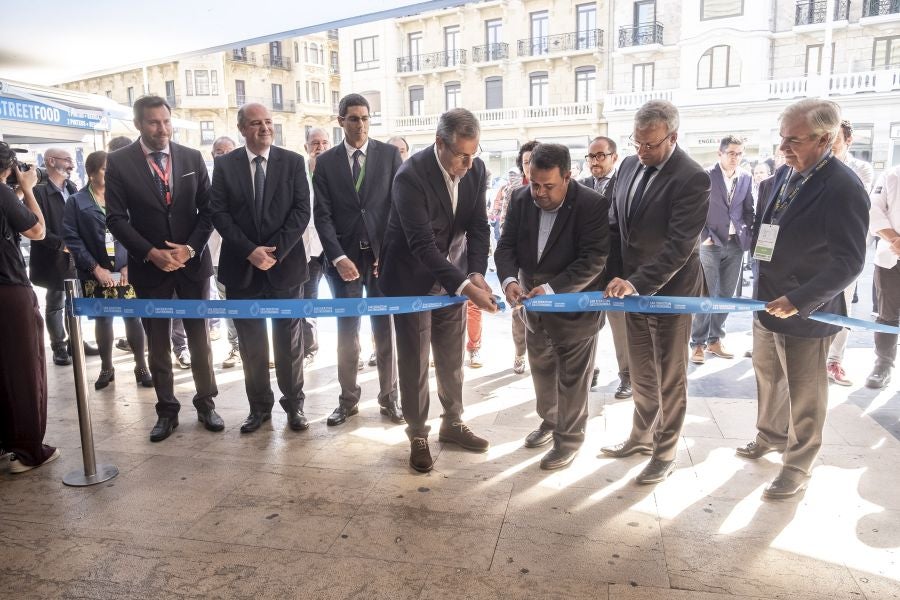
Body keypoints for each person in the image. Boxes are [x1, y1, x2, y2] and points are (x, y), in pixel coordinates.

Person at [738, 99, 868, 499]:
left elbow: (850, 262)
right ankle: (770, 435)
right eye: (782, 138)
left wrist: (799, 299)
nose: (784, 148)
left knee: (805, 393)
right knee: (769, 377)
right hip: (767, 301)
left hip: (808, 310)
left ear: (825, 139)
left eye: (793, 140)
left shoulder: (843, 187)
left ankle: (798, 465)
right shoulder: (784, 174)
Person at [379, 108, 499, 473]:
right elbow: (422, 245)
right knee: (414, 361)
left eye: (473, 153)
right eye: (461, 154)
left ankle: (453, 423)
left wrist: (476, 273)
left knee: (451, 357)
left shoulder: (476, 171)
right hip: (410, 279)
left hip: (455, 276)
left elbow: (479, 226)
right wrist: (464, 284)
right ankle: (417, 433)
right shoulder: (410, 176)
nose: (468, 162)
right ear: (439, 144)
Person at [601, 100, 710, 485]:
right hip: (631, 290)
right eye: (637, 143)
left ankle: (665, 453)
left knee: (670, 376)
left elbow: (680, 246)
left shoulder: (692, 178)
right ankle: (640, 437)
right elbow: (616, 227)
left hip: (671, 291)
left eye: (651, 145)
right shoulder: (629, 166)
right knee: (641, 371)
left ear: (673, 137)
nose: (642, 152)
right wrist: (613, 275)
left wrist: (638, 283)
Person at [106, 95, 223, 442]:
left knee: (200, 340)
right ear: (139, 124)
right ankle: (167, 411)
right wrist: (149, 253)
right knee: (157, 343)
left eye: (167, 122)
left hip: (191, 264)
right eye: (154, 123)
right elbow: (116, 218)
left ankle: (206, 405)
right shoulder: (120, 162)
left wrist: (189, 249)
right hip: (150, 267)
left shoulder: (190, 156)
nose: (162, 129)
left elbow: (210, 209)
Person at [496, 143, 609, 470]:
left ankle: (569, 440)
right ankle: (550, 421)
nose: (539, 193)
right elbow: (505, 247)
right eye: (534, 184)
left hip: (576, 309)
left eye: (548, 186)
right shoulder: (520, 199)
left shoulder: (592, 205)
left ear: (568, 178)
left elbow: (594, 260)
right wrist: (508, 281)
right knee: (542, 369)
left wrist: (549, 288)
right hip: (532, 307)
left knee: (573, 379)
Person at [210, 102, 310, 434]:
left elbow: (301, 211)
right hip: (242, 269)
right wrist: (250, 251)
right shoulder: (225, 165)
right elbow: (219, 213)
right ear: (242, 129)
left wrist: (275, 252)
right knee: (252, 347)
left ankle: (295, 406)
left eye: (268, 122)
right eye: (256, 123)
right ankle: (259, 408)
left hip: (286, 269)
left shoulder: (293, 162)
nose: (264, 128)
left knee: (289, 345)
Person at [313, 93, 403, 426]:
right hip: (344, 262)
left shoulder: (390, 155)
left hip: (381, 261)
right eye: (353, 118)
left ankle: (389, 398)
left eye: (365, 118)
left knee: (385, 331)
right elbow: (321, 215)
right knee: (346, 332)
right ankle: (348, 400)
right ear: (341, 121)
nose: (361, 124)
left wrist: (388, 253)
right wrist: (337, 257)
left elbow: (398, 209)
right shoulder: (326, 162)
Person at [62, 151, 152, 390]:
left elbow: (141, 232)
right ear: (91, 173)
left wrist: (131, 263)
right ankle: (106, 367)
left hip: (127, 271)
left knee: (133, 317)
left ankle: (141, 366)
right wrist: (94, 268)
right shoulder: (77, 201)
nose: (110, 175)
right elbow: (72, 238)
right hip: (95, 272)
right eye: (104, 170)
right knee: (103, 319)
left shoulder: (124, 198)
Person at [0, 141, 61, 473]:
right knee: (25, 371)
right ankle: (28, 449)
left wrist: (17, 194)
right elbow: (37, 230)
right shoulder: (3, 191)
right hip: (9, 292)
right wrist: (28, 189)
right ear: (9, 167)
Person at [690, 135, 754, 364]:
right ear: (720, 153)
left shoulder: (746, 177)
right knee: (707, 293)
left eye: (739, 153)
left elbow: (749, 210)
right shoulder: (706, 176)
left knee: (726, 294)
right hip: (711, 243)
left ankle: (715, 339)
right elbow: (694, 210)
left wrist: (747, 234)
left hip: (736, 244)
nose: (735, 157)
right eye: (731, 153)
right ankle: (697, 342)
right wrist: (704, 236)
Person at [826, 120, 876, 386]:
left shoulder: (861, 169)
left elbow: (855, 202)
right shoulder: (815, 166)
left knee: (841, 306)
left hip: (847, 251)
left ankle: (834, 360)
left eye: (834, 138)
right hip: (817, 249)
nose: (829, 142)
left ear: (848, 141)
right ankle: (812, 355)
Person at [582, 136, 631, 399]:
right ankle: (589, 371)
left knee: (620, 326)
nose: (595, 161)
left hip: (615, 267)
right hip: (587, 270)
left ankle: (628, 377)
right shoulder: (582, 185)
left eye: (601, 155)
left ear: (614, 157)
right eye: (591, 156)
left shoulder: (624, 185)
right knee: (587, 324)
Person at [30, 147, 85, 366]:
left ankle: (75, 342)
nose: (72, 165)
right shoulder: (37, 191)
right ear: (51, 161)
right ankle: (59, 346)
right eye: (68, 160)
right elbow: (35, 228)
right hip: (53, 258)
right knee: (56, 303)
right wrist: (63, 245)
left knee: (76, 302)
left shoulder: (72, 187)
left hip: (76, 257)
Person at [204, 136, 241, 369]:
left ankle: (257, 347)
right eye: (220, 152)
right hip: (217, 255)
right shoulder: (205, 182)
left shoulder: (241, 180)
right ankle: (236, 346)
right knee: (228, 302)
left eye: (229, 151)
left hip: (244, 252)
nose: (224, 156)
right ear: (213, 156)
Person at [865, 165, 900, 389]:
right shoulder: (891, 174)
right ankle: (883, 365)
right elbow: (873, 210)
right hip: (891, 257)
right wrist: (895, 240)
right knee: (887, 315)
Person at [301, 127, 330, 367]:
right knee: (308, 301)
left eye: (324, 143)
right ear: (306, 147)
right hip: (308, 250)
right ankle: (309, 350)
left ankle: (355, 352)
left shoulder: (338, 172)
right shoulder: (298, 174)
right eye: (314, 143)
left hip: (334, 251)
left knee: (345, 303)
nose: (319, 147)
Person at [509, 141, 538, 375]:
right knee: (519, 313)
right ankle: (520, 353)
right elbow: (506, 230)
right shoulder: (515, 192)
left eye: (534, 160)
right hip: (522, 265)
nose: (530, 166)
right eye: (526, 162)